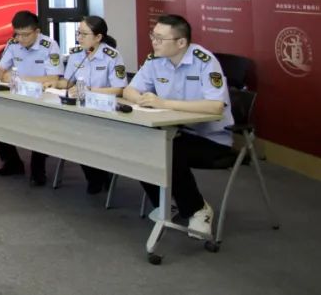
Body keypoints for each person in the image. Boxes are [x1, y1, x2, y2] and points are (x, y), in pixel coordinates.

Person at [122, 14, 233, 239]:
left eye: (160, 38)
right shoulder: (155, 60)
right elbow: (129, 90)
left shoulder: (204, 61)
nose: (154, 42)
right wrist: (142, 99)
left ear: (181, 42)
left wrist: (163, 103)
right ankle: (166, 203)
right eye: (153, 36)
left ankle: (198, 209)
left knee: (167, 152)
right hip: (175, 131)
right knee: (141, 146)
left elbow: (215, 106)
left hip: (210, 138)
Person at [0, 10, 61, 186]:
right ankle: (12, 162)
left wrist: (17, 78)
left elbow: (53, 79)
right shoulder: (13, 43)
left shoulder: (49, 45)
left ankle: (38, 169)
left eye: (25, 35)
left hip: (42, 100)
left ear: (37, 32)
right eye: (17, 34)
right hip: (18, 96)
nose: (20, 39)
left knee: (39, 127)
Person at [58, 15, 128, 194]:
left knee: (87, 135)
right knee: (73, 135)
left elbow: (119, 89)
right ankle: (94, 177)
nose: (79, 38)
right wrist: (56, 84)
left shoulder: (112, 56)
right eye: (78, 33)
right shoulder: (76, 54)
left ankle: (101, 175)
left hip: (105, 111)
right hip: (81, 109)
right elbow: (68, 81)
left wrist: (90, 90)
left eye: (84, 34)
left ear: (98, 37)